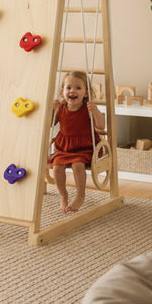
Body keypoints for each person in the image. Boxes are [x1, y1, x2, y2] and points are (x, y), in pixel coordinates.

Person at [49, 70, 105, 214]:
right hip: (64, 147)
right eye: (68, 88)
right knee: (57, 167)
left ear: (86, 93)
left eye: (78, 88)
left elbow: (100, 126)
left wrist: (96, 112)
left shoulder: (88, 108)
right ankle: (63, 194)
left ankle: (80, 195)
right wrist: (52, 110)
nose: (72, 91)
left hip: (84, 147)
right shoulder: (61, 107)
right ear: (62, 92)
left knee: (78, 165)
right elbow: (50, 124)